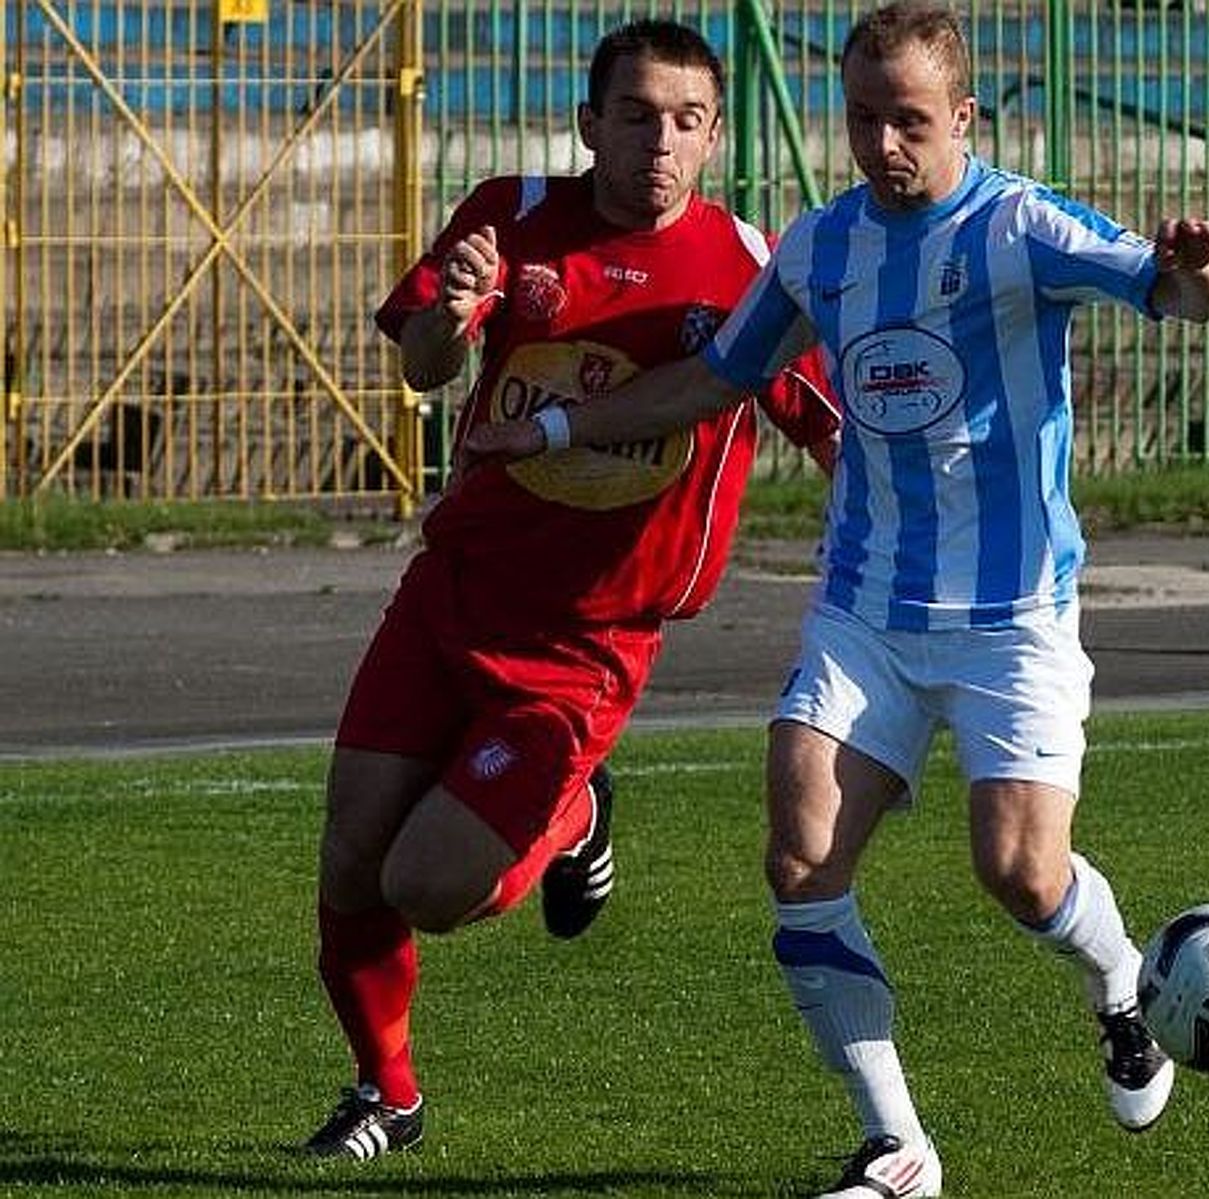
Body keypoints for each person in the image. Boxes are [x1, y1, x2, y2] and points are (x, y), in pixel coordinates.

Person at [467, 4, 1209, 1194]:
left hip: (1013, 615)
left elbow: (1190, 296)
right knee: (800, 858)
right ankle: (899, 1147)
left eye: (911, 121)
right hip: (865, 606)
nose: (885, 144)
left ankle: (1119, 985)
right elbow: (709, 380)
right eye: (865, 118)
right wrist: (555, 424)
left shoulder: (1021, 225)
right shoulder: (820, 248)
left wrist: (1195, 266)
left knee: (1022, 875)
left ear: (962, 119)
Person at [304, 19, 836, 1161]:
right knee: (351, 857)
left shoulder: (753, 270)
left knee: (431, 887)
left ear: (714, 135)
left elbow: (841, 430)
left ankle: (578, 808)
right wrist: (450, 316)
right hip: (453, 587)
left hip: (587, 645)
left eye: (688, 119)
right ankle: (385, 1093)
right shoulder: (511, 212)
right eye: (637, 115)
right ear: (590, 123)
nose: (660, 141)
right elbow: (425, 367)